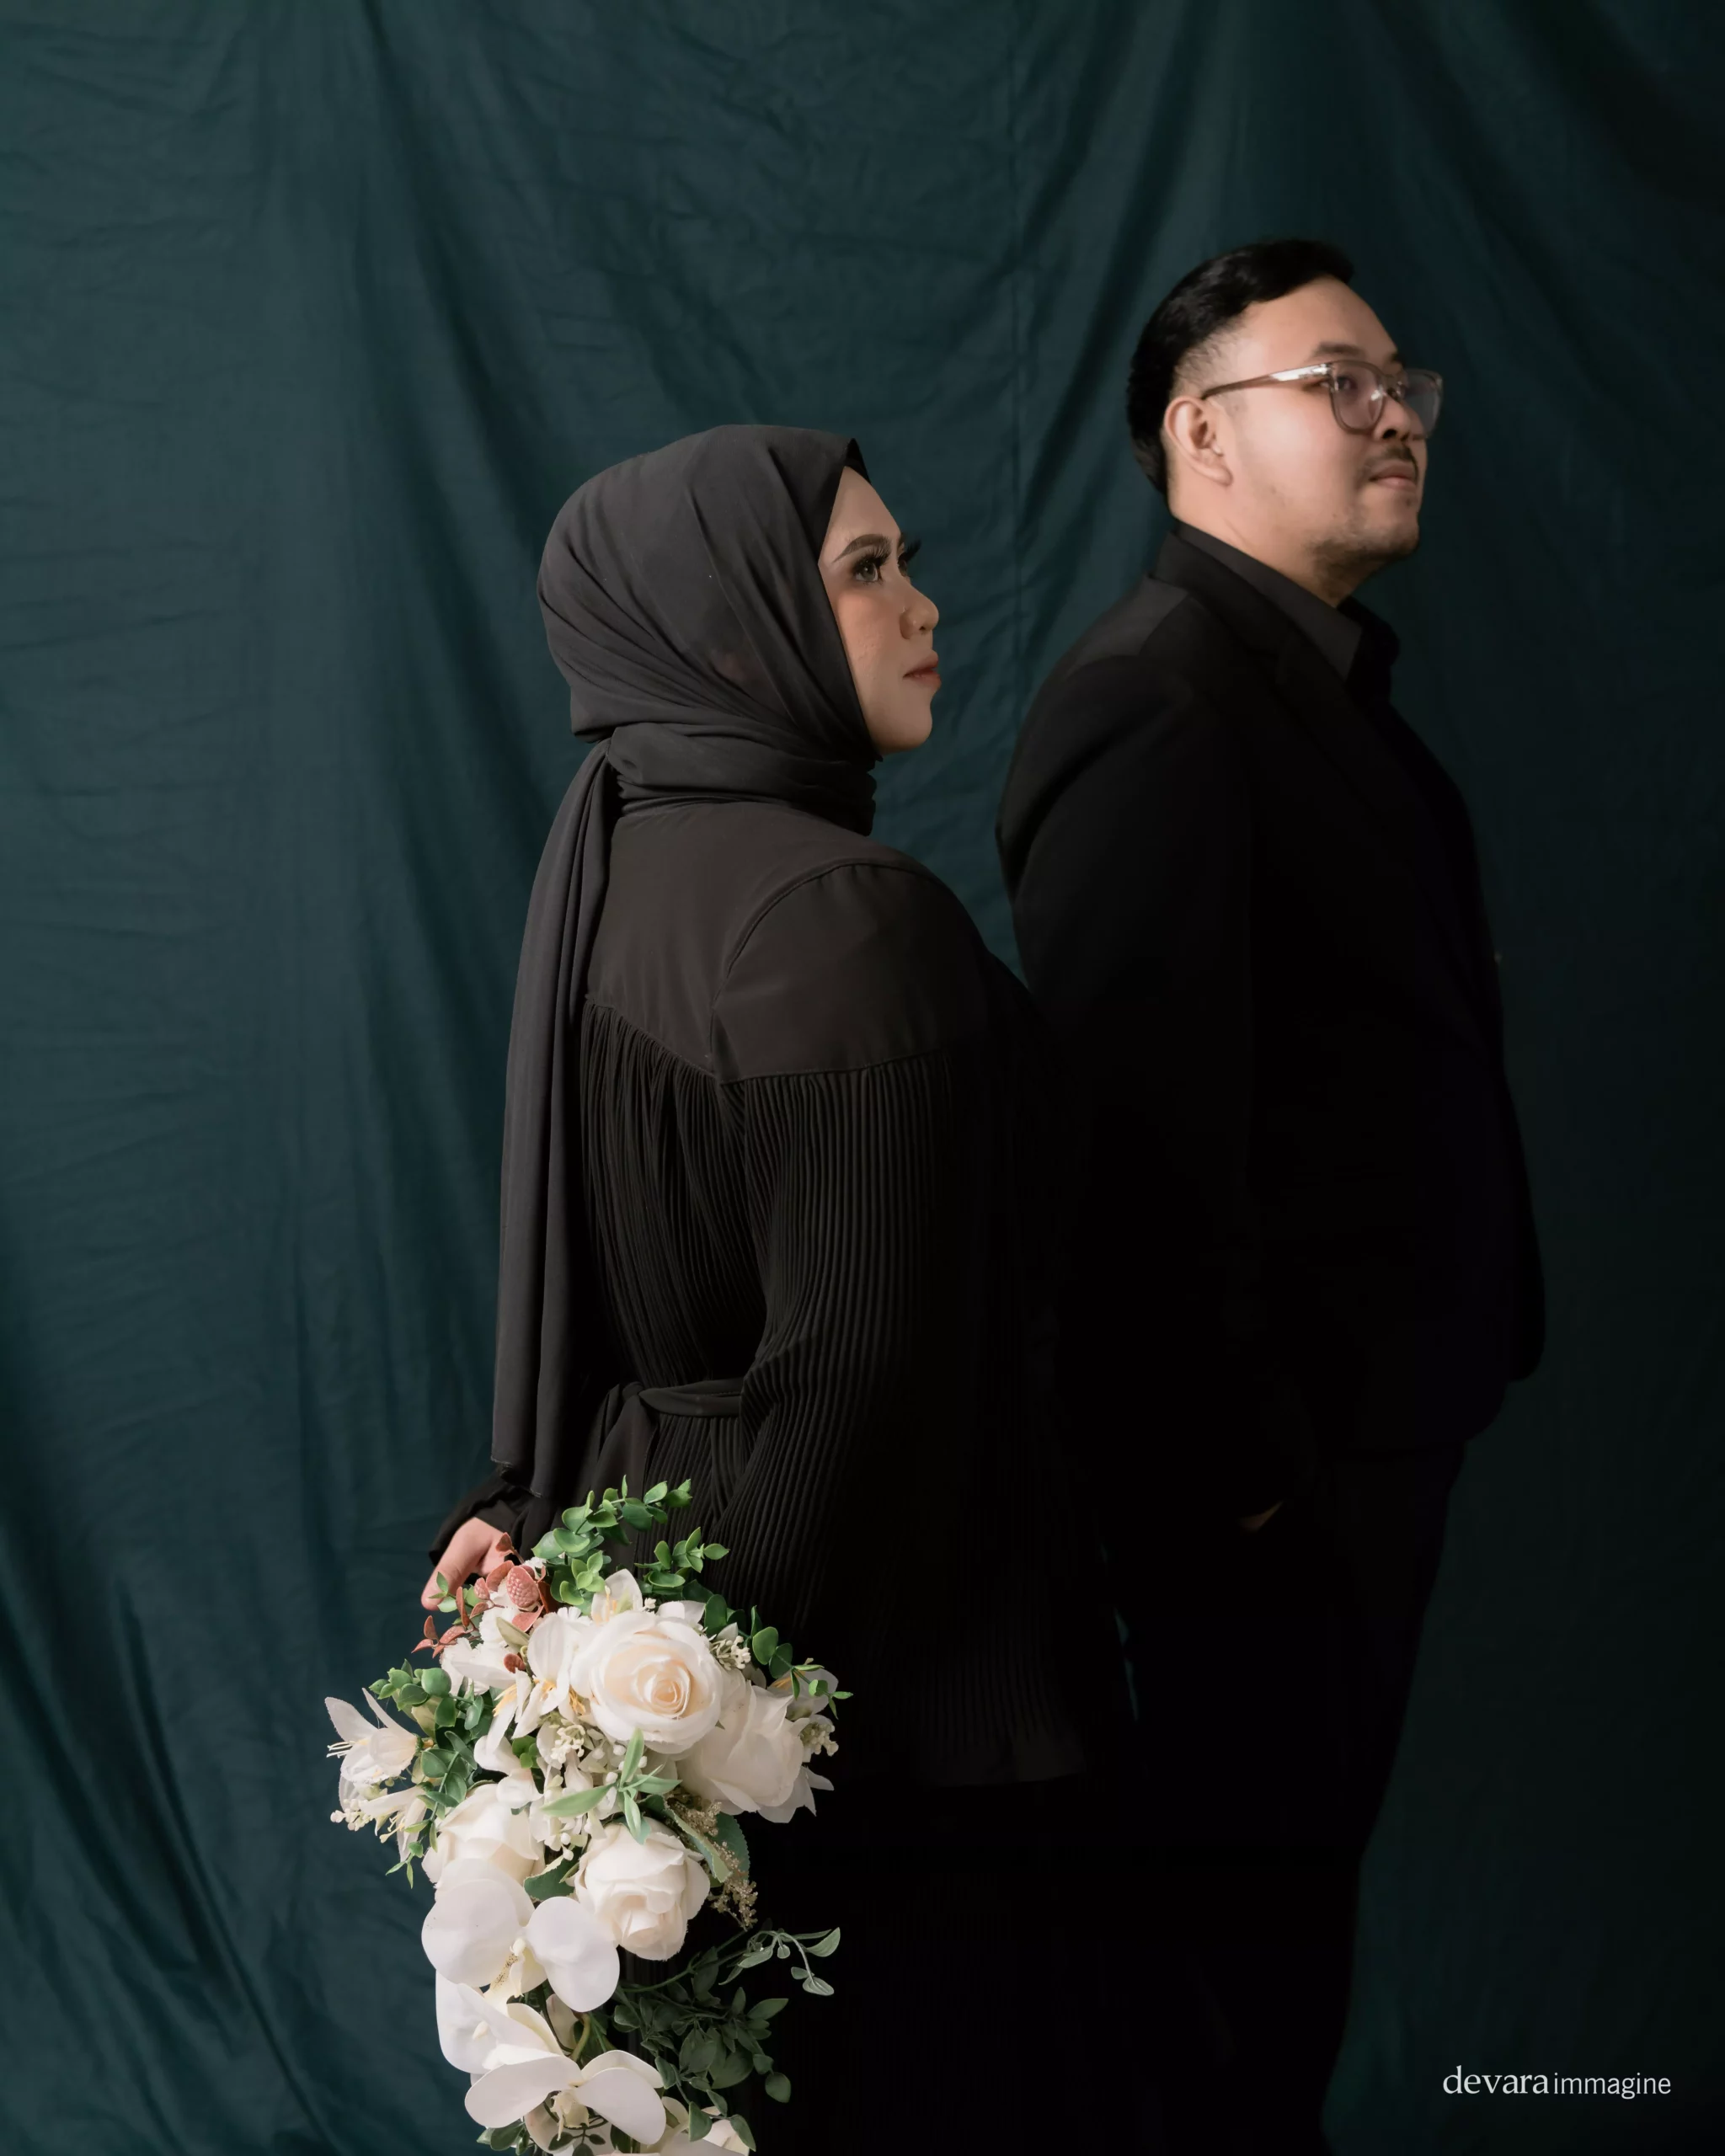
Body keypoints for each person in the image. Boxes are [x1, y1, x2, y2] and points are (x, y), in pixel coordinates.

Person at [427, 425, 1135, 2149]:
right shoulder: (834, 914)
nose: (924, 606)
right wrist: (697, 1741)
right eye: (865, 570)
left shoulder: (623, 863)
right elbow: (858, 1374)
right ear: (730, 626)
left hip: (676, 1614)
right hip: (872, 1688)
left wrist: (608, 1690)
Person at [996, 240, 1544, 2153]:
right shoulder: (1154, 700)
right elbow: (1124, 1155)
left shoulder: (1330, 692)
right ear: (1200, 435)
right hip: (1256, 1504)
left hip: (1363, 1450)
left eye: (1403, 382)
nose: (1396, 415)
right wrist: (1243, 1488)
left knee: (1277, 1969)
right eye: (1337, 382)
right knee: (1224, 1996)